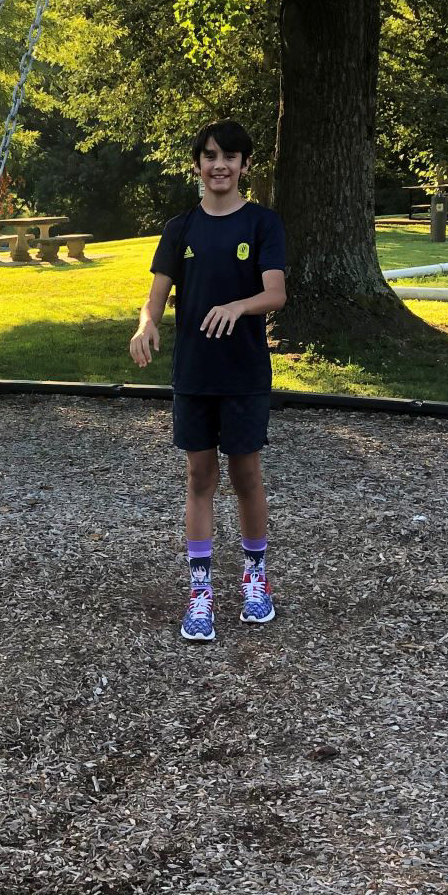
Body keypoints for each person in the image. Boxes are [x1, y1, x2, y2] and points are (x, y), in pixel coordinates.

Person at [129, 119, 287, 642]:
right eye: (211, 155)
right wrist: (147, 324)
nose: (220, 165)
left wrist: (238, 306)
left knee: (246, 477)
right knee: (200, 477)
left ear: (244, 165)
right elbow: (155, 298)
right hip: (193, 373)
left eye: (231, 157)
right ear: (197, 162)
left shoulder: (263, 223)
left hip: (243, 374)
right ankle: (200, 592)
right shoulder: (179, 229)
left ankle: (255, 580)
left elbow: (275, 293)